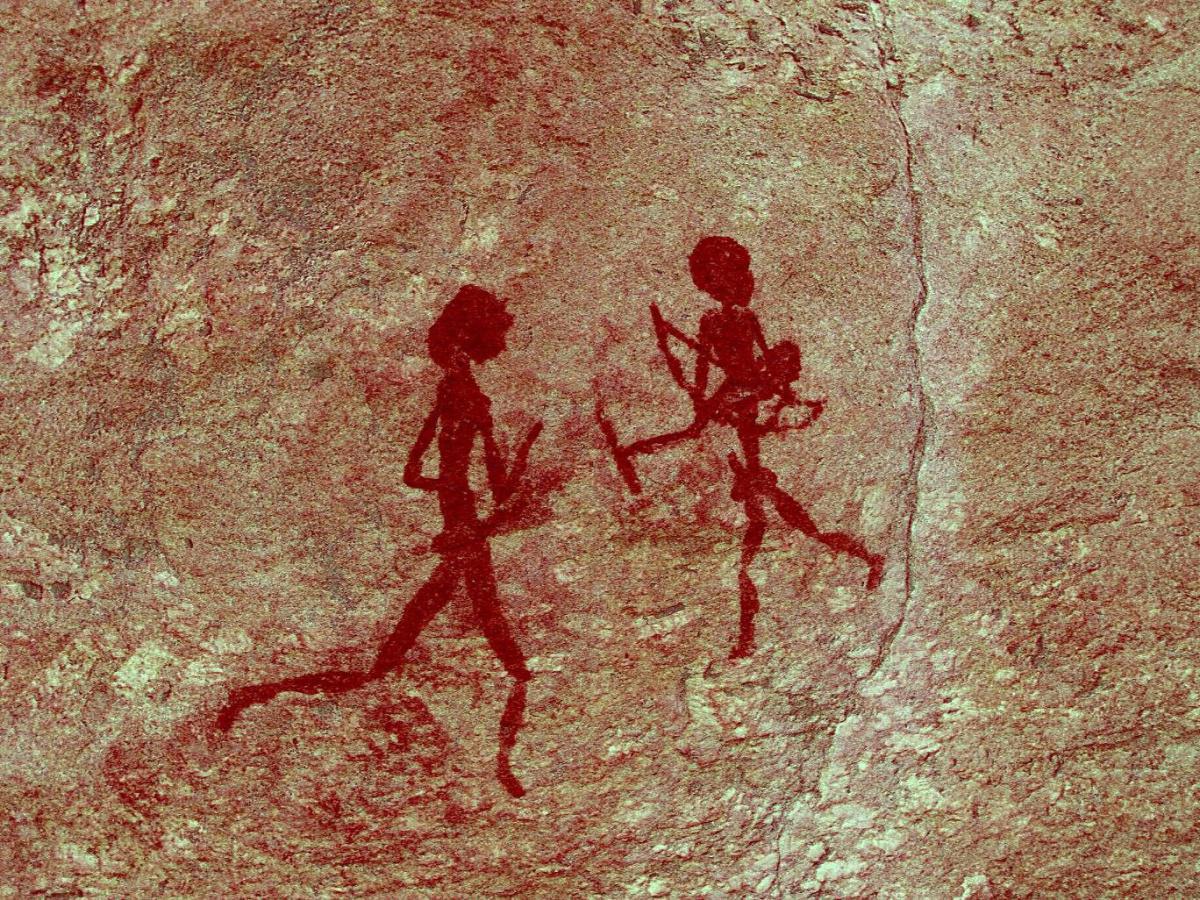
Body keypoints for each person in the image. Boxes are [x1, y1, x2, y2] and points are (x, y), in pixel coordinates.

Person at [218, 285, 543, 798]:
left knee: (387, 664)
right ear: (474, 331)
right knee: (508, 661)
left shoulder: (451, 387)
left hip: (462, 538)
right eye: (497, 325)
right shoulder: (466, 393)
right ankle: (506, 765)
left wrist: (458, 496)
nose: (505, 334)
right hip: (467, 541)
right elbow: (496, 487)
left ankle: (257, 693)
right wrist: (524, 453)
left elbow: (415, 473)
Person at [599, 237, 883, 659]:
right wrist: (707, 389)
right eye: (732, 276)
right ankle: (854, 561)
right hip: (737, 405)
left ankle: (756, 627)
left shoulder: (744, 317)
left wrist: (773, 390)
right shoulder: (712, 321)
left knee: (762, 517)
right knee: (764, 514)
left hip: (744, 403)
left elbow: (759, 363)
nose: (742, 283)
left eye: (739, 274)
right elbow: (703, 378)